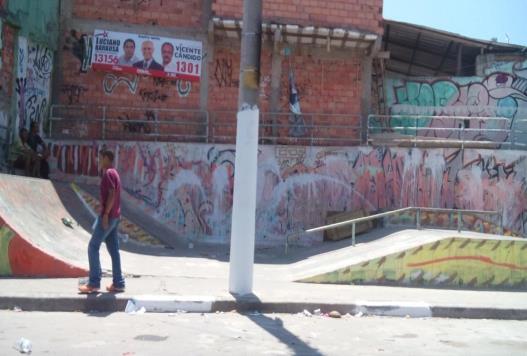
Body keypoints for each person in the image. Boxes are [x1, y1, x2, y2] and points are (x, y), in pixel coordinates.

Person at [79, 149, 125, 294]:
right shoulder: (115, 173)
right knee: (113, 250)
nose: (98, 160)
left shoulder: (108, 173)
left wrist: (105, 213)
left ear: (106, 158)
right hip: (115, 216)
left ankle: (93, 283)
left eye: (100, 158)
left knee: (93, 246)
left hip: (109, 217)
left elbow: (111, 193)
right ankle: (118, 283)